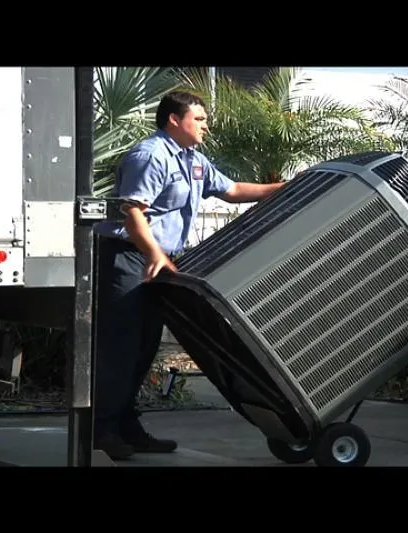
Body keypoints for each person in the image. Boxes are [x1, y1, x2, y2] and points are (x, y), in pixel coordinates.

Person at [92, 90, 285, 460]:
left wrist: (283, 188)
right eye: (199, 119)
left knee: (144, 349)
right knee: (120, 349)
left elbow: (232, 190)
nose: (205, 127)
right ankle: (101, 432)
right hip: (128, 258)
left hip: (159, 262)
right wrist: (154, 254)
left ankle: (126, 427)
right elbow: (132, 212)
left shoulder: (194, 159)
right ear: (174, 120)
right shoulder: (150, 156)